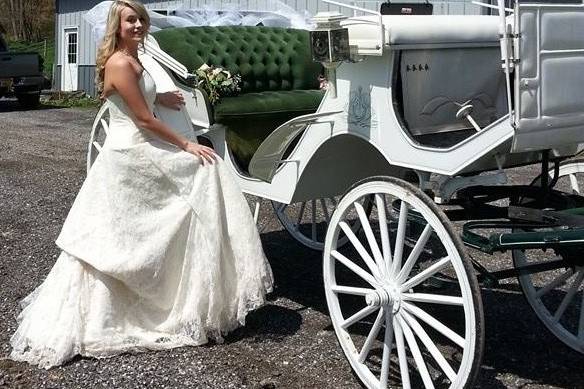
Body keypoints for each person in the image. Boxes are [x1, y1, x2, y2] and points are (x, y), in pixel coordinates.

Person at [9, 0, 273, 369]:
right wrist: (186, 143)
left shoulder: (137, 59)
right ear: (117, 26)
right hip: (131, 153)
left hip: (141, 145)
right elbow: (145, 121)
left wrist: (161, 95)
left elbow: (140, 97)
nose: (137, 25)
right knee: (203, 170)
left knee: (198, 180)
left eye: (141, 19)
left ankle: (181, 288)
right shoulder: (120, 61)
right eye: (130, 20)